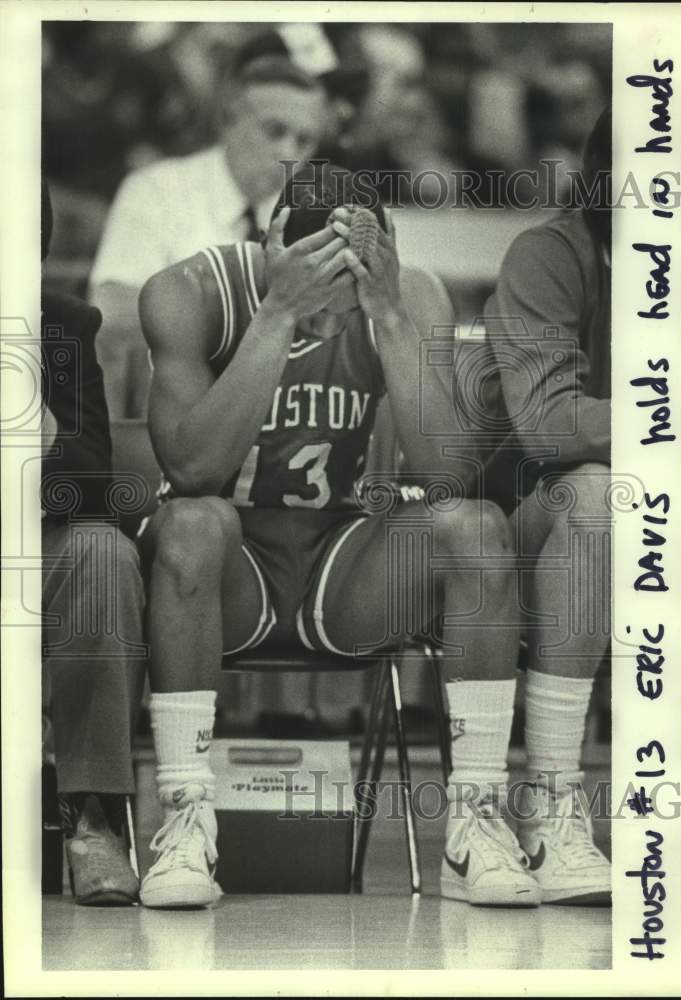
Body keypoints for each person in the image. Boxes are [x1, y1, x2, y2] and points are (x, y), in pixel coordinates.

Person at [136, 163, 539, 909]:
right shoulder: (188, 293)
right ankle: (187, 814)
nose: (332, 319)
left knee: (476, 530)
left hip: (341, 565)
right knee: (190, 523)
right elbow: (192, 469)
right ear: (272, 247)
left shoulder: (408, 292)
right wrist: (277, 316)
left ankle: (476, 819)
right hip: (230, 572)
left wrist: (384, 313)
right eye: (320, 288)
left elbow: (449, 473)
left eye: (346, 292)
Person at [478, 107, 612, 904]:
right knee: (597, 497)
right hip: (538, 528)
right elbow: (546, 424)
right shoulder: (551, 253)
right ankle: (552, 804)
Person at [89, 36, 330, 420]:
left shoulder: (311, 215)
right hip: (172, 413)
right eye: (274, 130)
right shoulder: (155, 190)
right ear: (228, 118)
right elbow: (115, 315)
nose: (289, 153)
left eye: (305, 140)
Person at [41, 182, 146, 905]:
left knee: (103, 553)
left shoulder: (62, 325)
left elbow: (90, 481)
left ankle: (92, 814)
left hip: (30, 550)